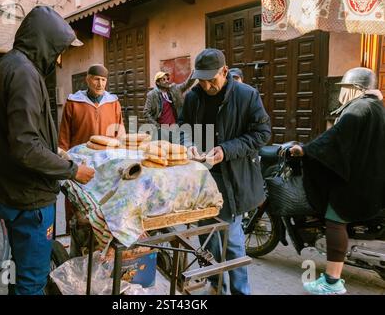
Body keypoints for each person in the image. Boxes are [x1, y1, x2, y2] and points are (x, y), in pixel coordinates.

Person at [0, 6, 95, 295]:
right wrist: (72, 171)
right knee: (32, 282)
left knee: (16, 270)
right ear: (45, 43)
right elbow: (25, 147)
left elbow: (17, 133)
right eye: (59, 50)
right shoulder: (24, 74)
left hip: (9, 193)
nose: (59, 60)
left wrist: (53, 149)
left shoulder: (1, 67)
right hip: (29, 199)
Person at [181, 48, 271, 294]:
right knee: (206, 238)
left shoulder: (247, 95)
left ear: (225, 71)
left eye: (212, 79)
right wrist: (188, 145)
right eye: (202, 79)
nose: (207, 85)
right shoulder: (193, 97)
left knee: (231, 241)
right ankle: (214, 284)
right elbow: (182, 127)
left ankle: (240, 291)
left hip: (232, 179)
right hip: (200, 178)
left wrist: (226, 150)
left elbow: (262, 134)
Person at [288, 67, 385, 295]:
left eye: (345, 88)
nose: (341, 93)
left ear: (356, 89)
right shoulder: (375, 108)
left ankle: (332, 281)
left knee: (334, 220)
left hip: (358, 182)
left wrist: (305, 150)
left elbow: (334, 140)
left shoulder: (359, 108)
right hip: (372, 178)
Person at [58, 64, 125, 235]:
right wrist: (65, 163)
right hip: (80, 164)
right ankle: (77, 241)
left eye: (103, 80)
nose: (100, 83)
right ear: (88, 80)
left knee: (105, 207)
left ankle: (104, 245)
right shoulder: (74, 103)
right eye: (96, 79)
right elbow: (64, 137)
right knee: (78, 209)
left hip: (107, 165)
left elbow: (120, 132)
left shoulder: (113, 102)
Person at [143, 70, 195, 142]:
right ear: (157, 82)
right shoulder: (152, 95)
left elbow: (187, 84)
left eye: (167, 79)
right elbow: (146, 112)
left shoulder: (174, 89)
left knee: (176, 150)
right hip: (162, 131)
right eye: (163, 79)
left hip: (175, 128)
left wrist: (194, 72)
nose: (167, 81)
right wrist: (157, 127)